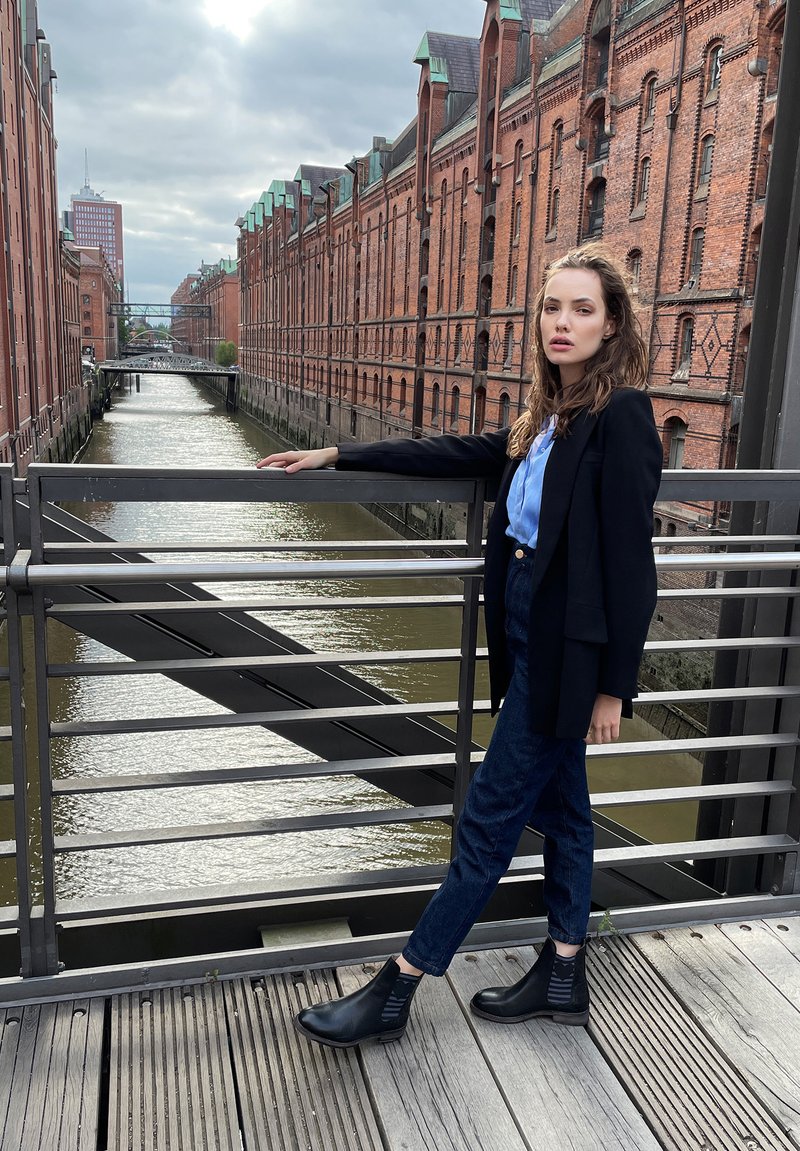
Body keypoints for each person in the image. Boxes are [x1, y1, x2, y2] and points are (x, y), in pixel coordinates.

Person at [256, 242, 662, 1049]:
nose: (562, 322)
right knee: (566, 810)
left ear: (612, 324)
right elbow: (454, 451)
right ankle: (564, 971)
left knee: (487, 818)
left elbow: (632, 561)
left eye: (583, 309)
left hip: (565, 650)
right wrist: (339, 452)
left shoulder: (621, 415)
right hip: (522, 625)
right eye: (552, 306)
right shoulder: (547, 415)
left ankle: (400, 985)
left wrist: (614, 685)